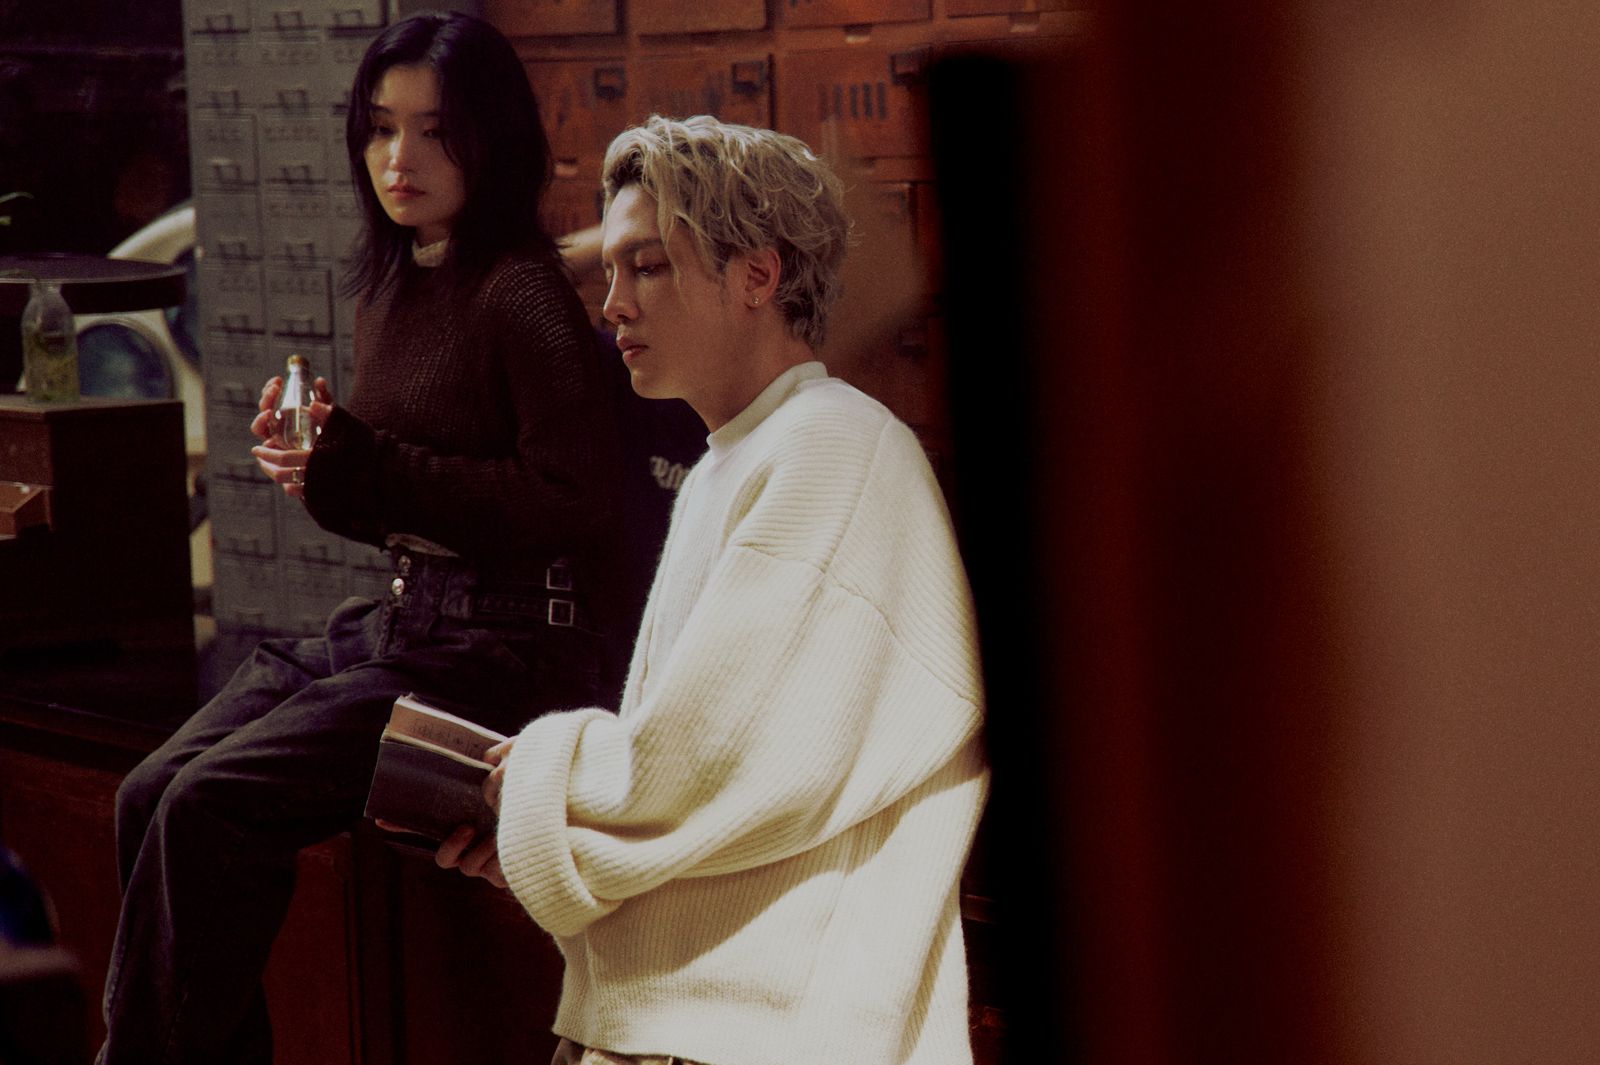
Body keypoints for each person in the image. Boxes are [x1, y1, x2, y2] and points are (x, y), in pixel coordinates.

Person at [97, 12, 621, 1064]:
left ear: (490, 139)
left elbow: (576, 500)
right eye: (381, 128)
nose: (399, 158)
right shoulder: (402, 276)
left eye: (434, 131)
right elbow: (398, 501)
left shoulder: (521, 292)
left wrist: (369, 466)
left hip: (508, 651)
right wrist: (326, 469)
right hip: (410, 620)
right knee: (148, 792)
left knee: (210, 808)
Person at [440, 115, 990, 1065]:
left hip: (766, 1034)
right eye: (612, 270)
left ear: (758, 276)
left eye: (648, 266)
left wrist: (533, 794)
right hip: (687, 1020)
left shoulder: (833, 446)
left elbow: (698, 763)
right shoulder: (729, 463)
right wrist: (538, 828)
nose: (612, 302)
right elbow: (710, 788)